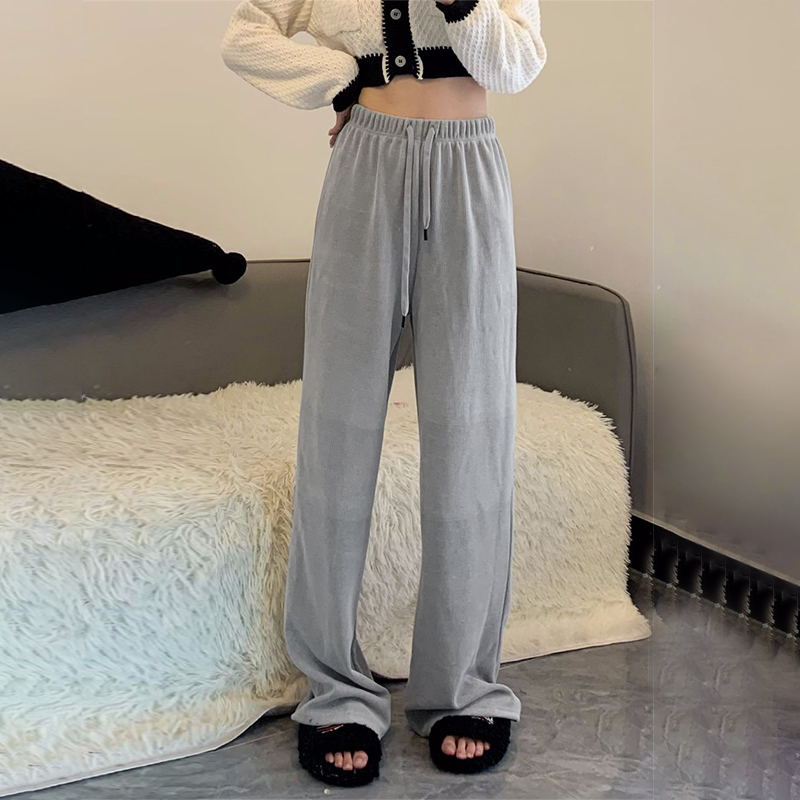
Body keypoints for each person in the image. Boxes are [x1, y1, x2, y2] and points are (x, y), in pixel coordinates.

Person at [221, 0, 547, 787]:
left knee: (472, 433)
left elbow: (517, 65)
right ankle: (336, 689)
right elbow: (246, 37)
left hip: (469, 166)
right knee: (336, 431)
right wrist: (342, 75)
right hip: (366, 164)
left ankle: (463, 688)